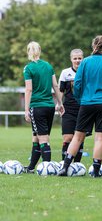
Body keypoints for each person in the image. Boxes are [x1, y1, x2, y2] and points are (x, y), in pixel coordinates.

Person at [58, 35, 102, 177]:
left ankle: (64, 168)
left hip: (87, 103)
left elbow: (77, 84)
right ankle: (95, 172)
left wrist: (80, 98)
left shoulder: (85, 63)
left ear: (93, 46)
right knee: (99, 138)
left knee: (77, 137)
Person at [23, 41, 65, 173]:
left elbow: (28, 89)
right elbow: (55, 86)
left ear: (28, 51)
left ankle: (47, 168)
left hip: (37, 106)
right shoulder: (48, 66)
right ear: (39, 50)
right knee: (36, 137)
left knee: (43, 139)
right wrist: (60, 103)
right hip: (49, 107)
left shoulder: (28, 68)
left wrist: (26, 109)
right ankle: (30, 168)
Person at [58, 49, 87, 162]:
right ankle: (64, 163)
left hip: (84, 109)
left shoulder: (87, 72)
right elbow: (61, 90)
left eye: (79, 58)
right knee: (67, 137)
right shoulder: (65, 73)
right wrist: (59, 104)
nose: (77, 60)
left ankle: (77, 165)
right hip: (68, 109)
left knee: (80, 138)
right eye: (75, 58)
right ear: (71, 59)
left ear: (83, 59)